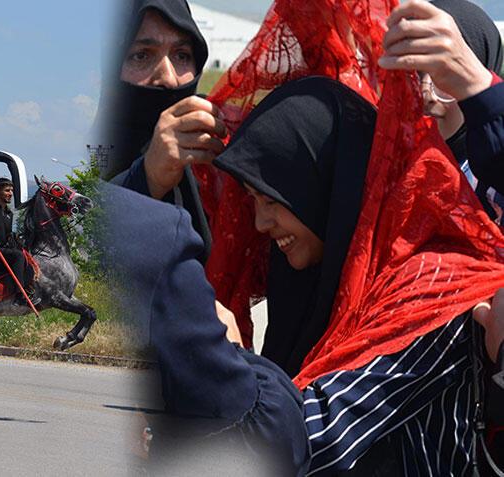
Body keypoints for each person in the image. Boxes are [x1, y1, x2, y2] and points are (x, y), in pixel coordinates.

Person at [109, 76, 504, 474]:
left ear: (322, 185)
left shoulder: (433, 287)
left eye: (271, 200)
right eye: (252, 200)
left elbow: (312, 440)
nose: (261, 222)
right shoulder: (321, 272)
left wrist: (226, 356)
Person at [97, 0, 227, 255]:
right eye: (142, 55)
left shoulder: (213, 141)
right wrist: (147, 179)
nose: (167, 78)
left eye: (182, 55)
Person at [380, 0, 504, 223]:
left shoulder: (492, 190)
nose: (426, 95)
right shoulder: (380, 178)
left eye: (447, 76)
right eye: (414, 76)